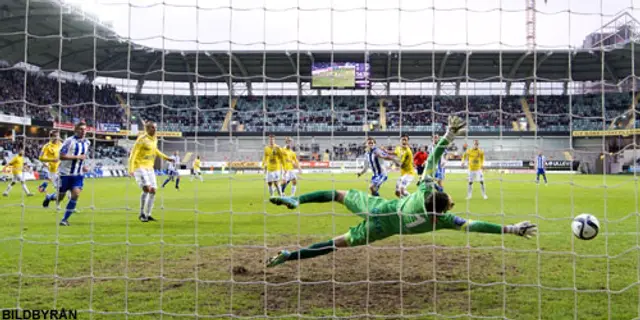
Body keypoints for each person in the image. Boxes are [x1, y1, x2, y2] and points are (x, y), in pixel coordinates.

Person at [265, 116, 537, 268]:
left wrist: (448, 136)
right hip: (382, 231)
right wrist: (511, 229)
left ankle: (295, 199)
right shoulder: (439, 220)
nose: (452, 202)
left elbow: (431, 161)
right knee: (335, 244)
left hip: (376, 208)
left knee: (337, 194)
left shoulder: (426, 189)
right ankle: (290, 256)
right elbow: (475, 225)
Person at [43, 122, 90, 226]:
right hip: (65, 174)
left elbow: (83, 157)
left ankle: (64, 220)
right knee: (60, 197)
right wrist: (76, 157)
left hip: (78, 175)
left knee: (75, 195)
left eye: (85, 129)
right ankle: (49, 197)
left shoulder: (87, 142)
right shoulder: (69, 141)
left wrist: (84, 166)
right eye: (81, 129)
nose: (84, 131)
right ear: (76, 130)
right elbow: (61, 156)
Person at [128, 121, 174, 222]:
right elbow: (133, 154)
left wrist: (167, 158)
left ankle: (148, 214)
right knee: (147, 189)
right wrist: (131, 169)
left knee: (153, 190)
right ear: (147, 129)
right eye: (153, 128)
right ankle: (141, 213)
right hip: (139, 167)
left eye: (155, 128)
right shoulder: (141, 139)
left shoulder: (155, 138)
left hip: (150, 168)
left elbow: (155, 150)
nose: (155, 129)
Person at [38, 130, 62, 197]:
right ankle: (49, 197)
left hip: (62, 169)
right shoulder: (47, 146)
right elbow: (40, 157)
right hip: (53, 170)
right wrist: (52, 160)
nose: (56, 137)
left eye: (57, 135)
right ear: (51, 137)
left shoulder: (61, 144)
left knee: (67, 186)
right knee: (60, 190)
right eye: (54, 136)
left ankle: (42, 187)